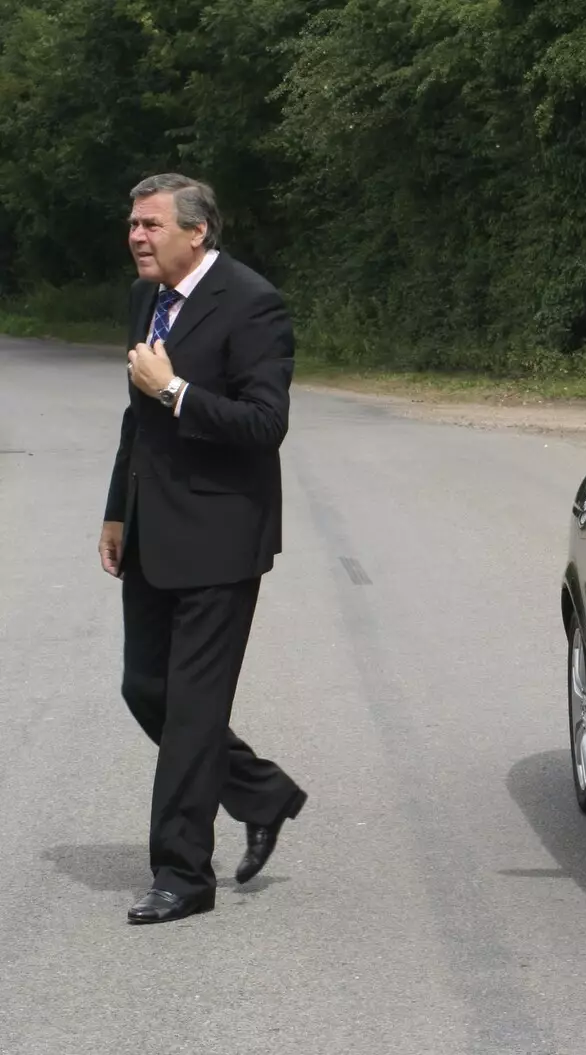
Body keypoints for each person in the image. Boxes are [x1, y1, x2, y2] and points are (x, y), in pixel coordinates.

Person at [98, 173, 308, 924]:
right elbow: (136, 418)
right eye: (132, 224)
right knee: (144, 687)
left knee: (190, 708)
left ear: (199, 231)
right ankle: (261, 791)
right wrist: (116, 511)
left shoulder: (252, 304)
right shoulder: (143, 298)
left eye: (151, 224)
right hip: (151, 530)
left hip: (221, 538)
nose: (138, 236)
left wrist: (175, 390)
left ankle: (183, 875)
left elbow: (263, 423)